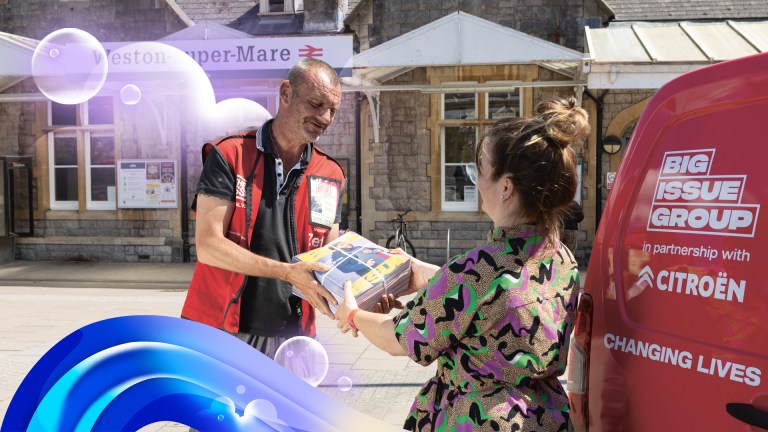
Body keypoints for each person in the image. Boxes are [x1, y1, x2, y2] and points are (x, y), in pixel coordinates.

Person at [335, 97, 589, 431]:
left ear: (506, 188)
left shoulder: (475, 270)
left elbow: (399, 340)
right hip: (549, 419)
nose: (476, 181)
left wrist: (352, 313)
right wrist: (426, 274)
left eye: (479, 171)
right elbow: (505, 295)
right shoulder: (562, 259)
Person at [181, 58, 346, 359]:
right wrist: (287, 273)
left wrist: (365, 291)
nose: (324, 116)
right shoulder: (229, 154)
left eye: (332, 109)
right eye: (315, 103)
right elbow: (208, 245)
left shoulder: (330, 173)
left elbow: (328, 254)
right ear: (286, 93)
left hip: (293, 335)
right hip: (221, 331)